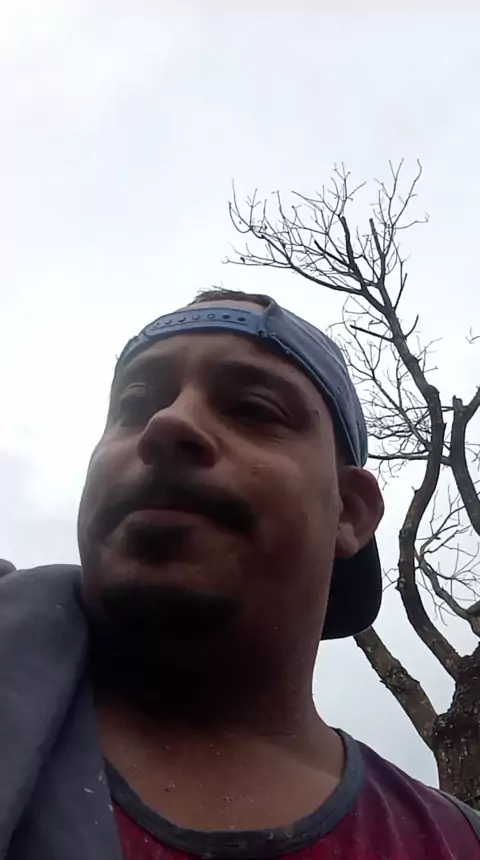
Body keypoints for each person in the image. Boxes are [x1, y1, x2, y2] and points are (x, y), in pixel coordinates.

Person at [1, 288, 479, 860]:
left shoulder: (454, 844)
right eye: (135, 404)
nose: (168, 422)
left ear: (349, 513)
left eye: (254, 409)